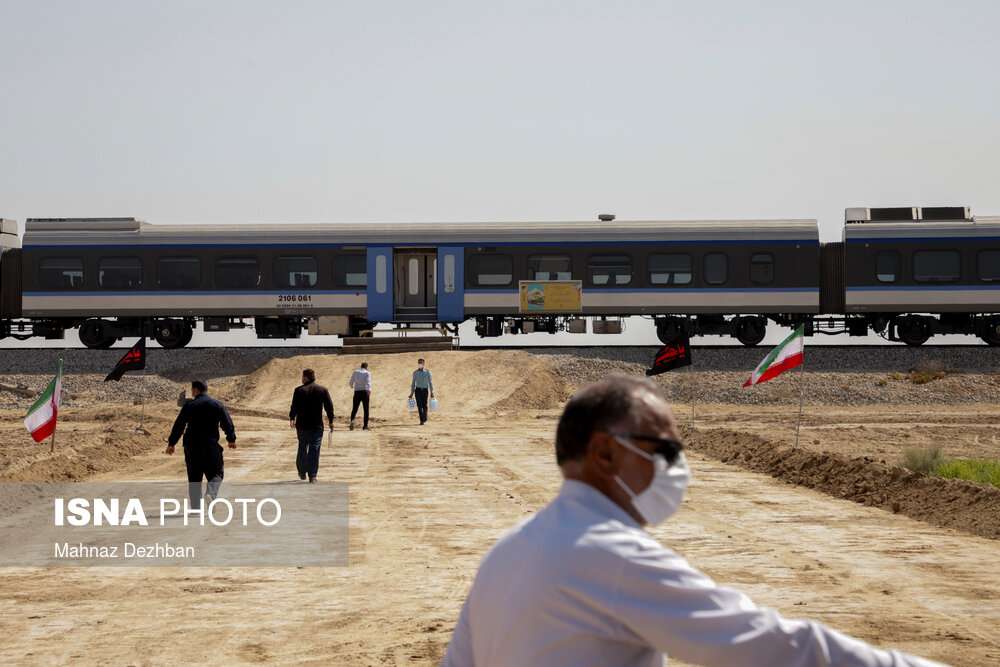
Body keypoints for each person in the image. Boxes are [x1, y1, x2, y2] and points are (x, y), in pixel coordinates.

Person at [442, 376, 945, 667]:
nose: (676, 468)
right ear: (604, 453)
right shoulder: (609, 554)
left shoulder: (508, 551)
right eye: (665, 450)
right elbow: (773, 647)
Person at [165, 380, 237, 510]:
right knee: (216, 474)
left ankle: (195, 508)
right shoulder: (217, 405)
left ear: (196, 390)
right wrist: (231, 439)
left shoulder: (189, 406)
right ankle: (210, 494)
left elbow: (179, 426)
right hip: (210, 445)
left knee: (194, 477)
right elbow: (227, 422)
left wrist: (172, 443)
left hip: (192, 447)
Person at [289, 368, 334, 483]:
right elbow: (329, 407)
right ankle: (312, 476)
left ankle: (302, 472)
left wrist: (292, 418)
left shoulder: (298, 390)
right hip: (316, 426)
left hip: (302, 425)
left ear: (306, 378)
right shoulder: (322, 390)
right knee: (314, 449)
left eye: (303, 376)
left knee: (302, 448)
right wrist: (331, 421)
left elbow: (294, 406)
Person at [408, 358, 434, 425]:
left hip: (425, 390)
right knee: (419, 406)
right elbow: (413, 383)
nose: (420, 364)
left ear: (423, 364)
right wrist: (411, 393)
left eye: (421, 363)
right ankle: (421, 420)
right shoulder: (415, 373)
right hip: (418, 391)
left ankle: (425, 417)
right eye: (419, 363)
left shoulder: (427, 372)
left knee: (424, 405)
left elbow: (430, 382)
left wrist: (432, 392)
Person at [348, 361, 372, 431]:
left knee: (354, 408)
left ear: (361, 366)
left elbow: (351, 381)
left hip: (357, 392)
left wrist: (351, 386)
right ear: (366, 367)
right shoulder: (367, 373)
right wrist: (369, 389)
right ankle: (365, 426)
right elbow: (368, 381)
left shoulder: (355, 372)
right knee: (366, 409)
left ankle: (352, 420)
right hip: (365, 392)